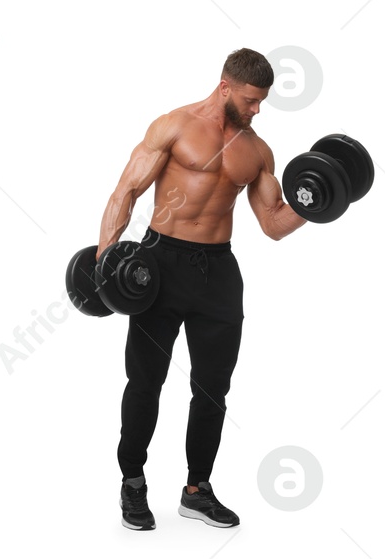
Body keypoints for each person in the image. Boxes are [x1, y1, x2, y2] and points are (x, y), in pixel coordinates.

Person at [96, 47, 305, 531]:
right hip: (159, 265)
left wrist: (316, 201)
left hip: (219, 271)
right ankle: (132, 482)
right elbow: (125, 190)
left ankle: (197, 489)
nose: (257, 110)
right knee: (146, 382)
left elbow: (273, 224)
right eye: (252, 100)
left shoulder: (257, 150)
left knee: (212, 391)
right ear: (226, 86)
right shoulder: (175, 125)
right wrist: (106, 259)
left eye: (262, 102)